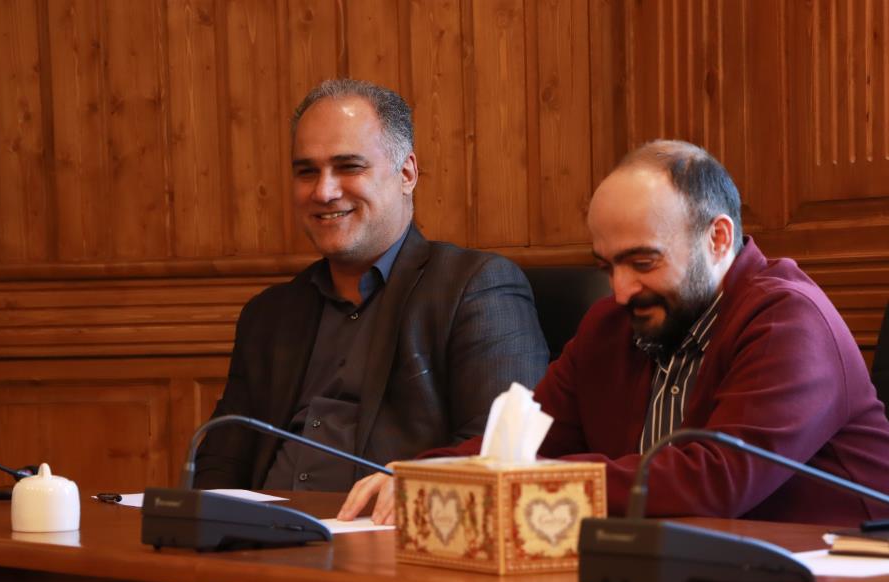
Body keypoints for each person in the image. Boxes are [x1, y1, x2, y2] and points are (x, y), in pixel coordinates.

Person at [340, 139, 889, 526]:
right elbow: (529, 441)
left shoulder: (790, 320)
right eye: (608, 267)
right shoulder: (611, 324)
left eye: (643, 262)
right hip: (674, 572)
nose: (621, 290)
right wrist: (427, 474)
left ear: (718, 239)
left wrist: (514, 481)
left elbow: (713, 481)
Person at [194, 79, 549, 491]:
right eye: (307, 172)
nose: (324, 191)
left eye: (349, 167)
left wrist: (414, 487)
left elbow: (502, 451)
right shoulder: (269, 314)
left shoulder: (474, 288)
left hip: (392, 525)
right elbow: (222, 459)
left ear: (407, 173)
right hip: (264, 527)